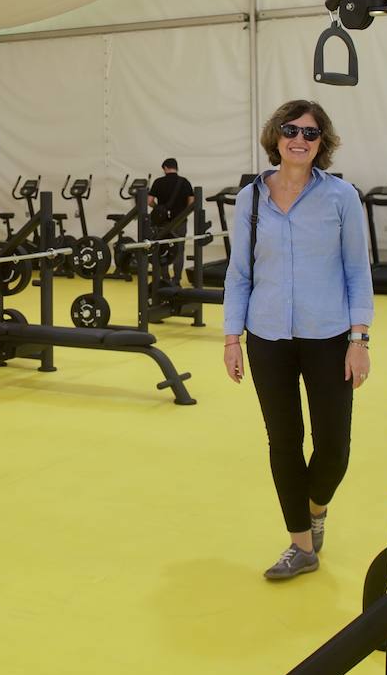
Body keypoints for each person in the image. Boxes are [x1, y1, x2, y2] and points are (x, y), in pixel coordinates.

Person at [222, 100, 373, 580]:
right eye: (291, 130)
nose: (299, 140)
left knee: (334, 448)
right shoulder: (250, 199)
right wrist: (232, 338)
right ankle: (301, 546)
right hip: (267, 336)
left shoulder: (341, 197)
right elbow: (239, 273)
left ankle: (316, 507)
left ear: (321, 143)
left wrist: (359, 339)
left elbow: (357, 270)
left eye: (311, 133)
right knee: (283, 443)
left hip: (328, 336)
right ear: (276, 136)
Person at [147, 158, 195, 284]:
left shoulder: (158, 182)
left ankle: (165, 277)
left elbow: (149, 201)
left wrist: (158, 208)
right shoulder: (185, 182)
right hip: (180, 221)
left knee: (162, 249)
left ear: (165, 168)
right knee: (179, 249)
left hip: (162, 222)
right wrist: (182, 212)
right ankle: (177, 278)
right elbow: (191, 203)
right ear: (176, 167)